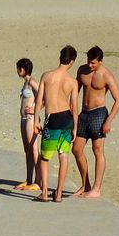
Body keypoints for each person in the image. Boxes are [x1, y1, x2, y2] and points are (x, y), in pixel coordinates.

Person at [73, 46, 119, 198]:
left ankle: (96, 188)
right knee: (76, 149)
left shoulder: (106, 75)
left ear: (100, 61)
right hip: (83, 114)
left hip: (99, 114)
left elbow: (118, 100)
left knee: (97, 150)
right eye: (89, 61)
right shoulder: (82, 71)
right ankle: (85, 184)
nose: (90, 65)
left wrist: (108, 121)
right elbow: (75, 92)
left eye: (93, 63)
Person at [32, 45, 79, 202]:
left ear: (60, 57)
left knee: (45, 157)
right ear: (72, 61)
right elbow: (74, 107)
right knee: (63, 155)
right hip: (67, 119)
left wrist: (36, 119)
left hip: (52, 118)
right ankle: (58, 194)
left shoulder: (47, 76)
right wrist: (75, 128)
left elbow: (40, 100)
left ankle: (45, 192)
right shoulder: (72, 81)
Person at [15, 58, 41, 192]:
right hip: (24, 118)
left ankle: (38, 181)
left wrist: (36, 108)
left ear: (22, 69)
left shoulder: (32, 82)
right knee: (27, 150)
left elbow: (43, 96)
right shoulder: (26, 83)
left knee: (34, 149)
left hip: (30, 118)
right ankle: (29, 179)